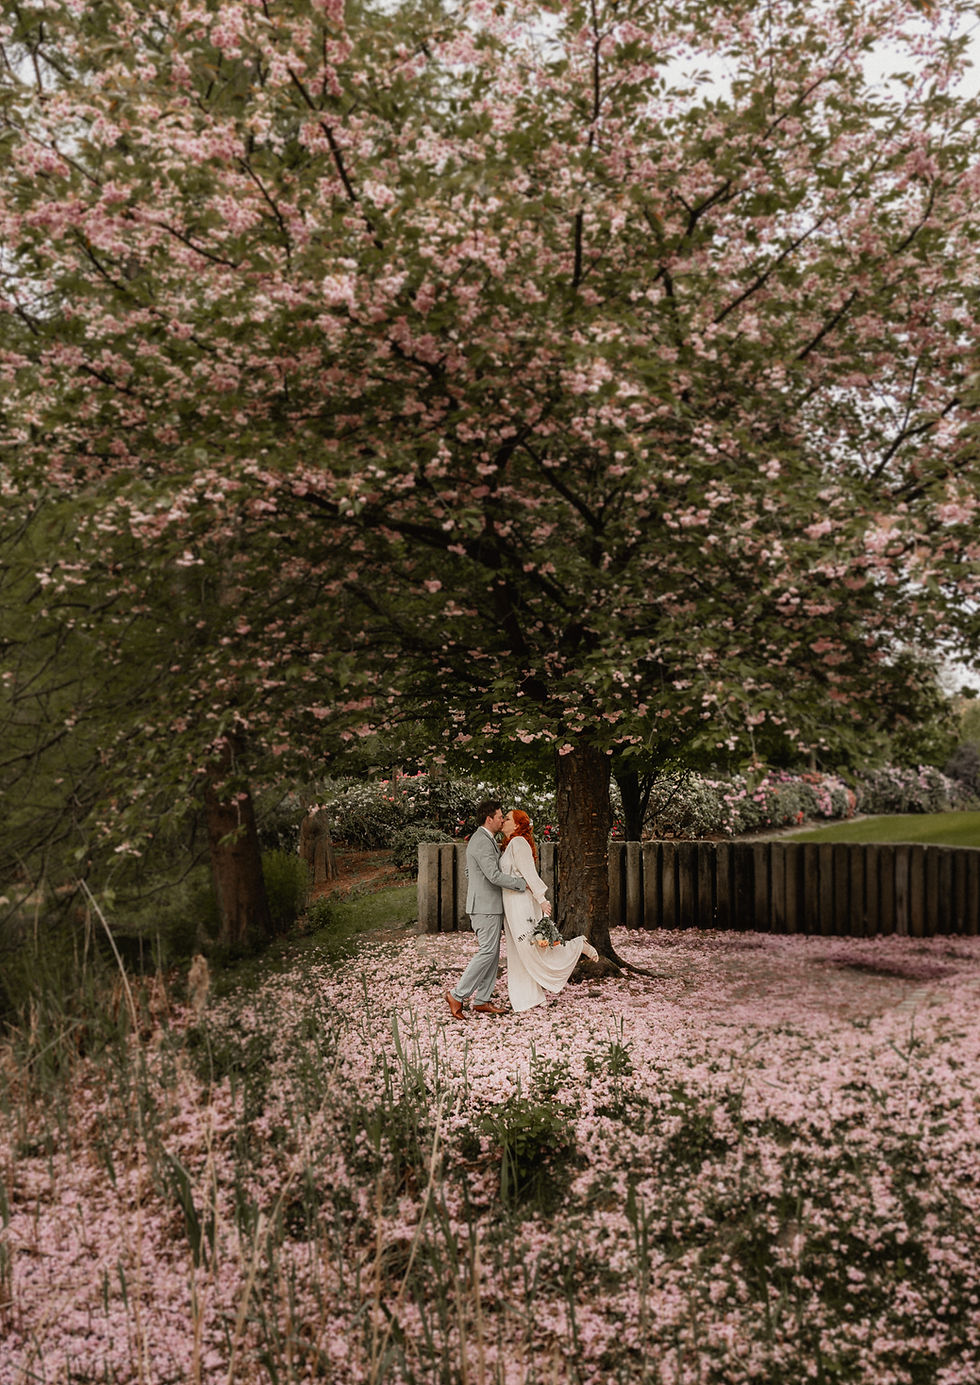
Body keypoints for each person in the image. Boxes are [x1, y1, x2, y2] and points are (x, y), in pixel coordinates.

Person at [499, 809, 599, 1013]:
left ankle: (577, 946)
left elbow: (529, 873)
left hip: (521, 904)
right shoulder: (509, 845)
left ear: (518, 825)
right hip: (509, 904)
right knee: (518, 952)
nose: (503, 821)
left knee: (531, 948)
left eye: (507, 818)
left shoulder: (519, 843)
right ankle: (528, 998)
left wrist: (542, 899)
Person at [445, 799, 527, 1022]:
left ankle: (482, 1000)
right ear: (489, 819)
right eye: (500, 816)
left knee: (491, 954)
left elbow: (470, 871)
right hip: (484, 907)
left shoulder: (485, 839)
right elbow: (493, 875)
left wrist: (479, 889)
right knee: (487, 952)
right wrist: (522, 883)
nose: (502, 820)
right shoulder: (481, 841)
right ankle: (456, 995)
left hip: (488, 904)